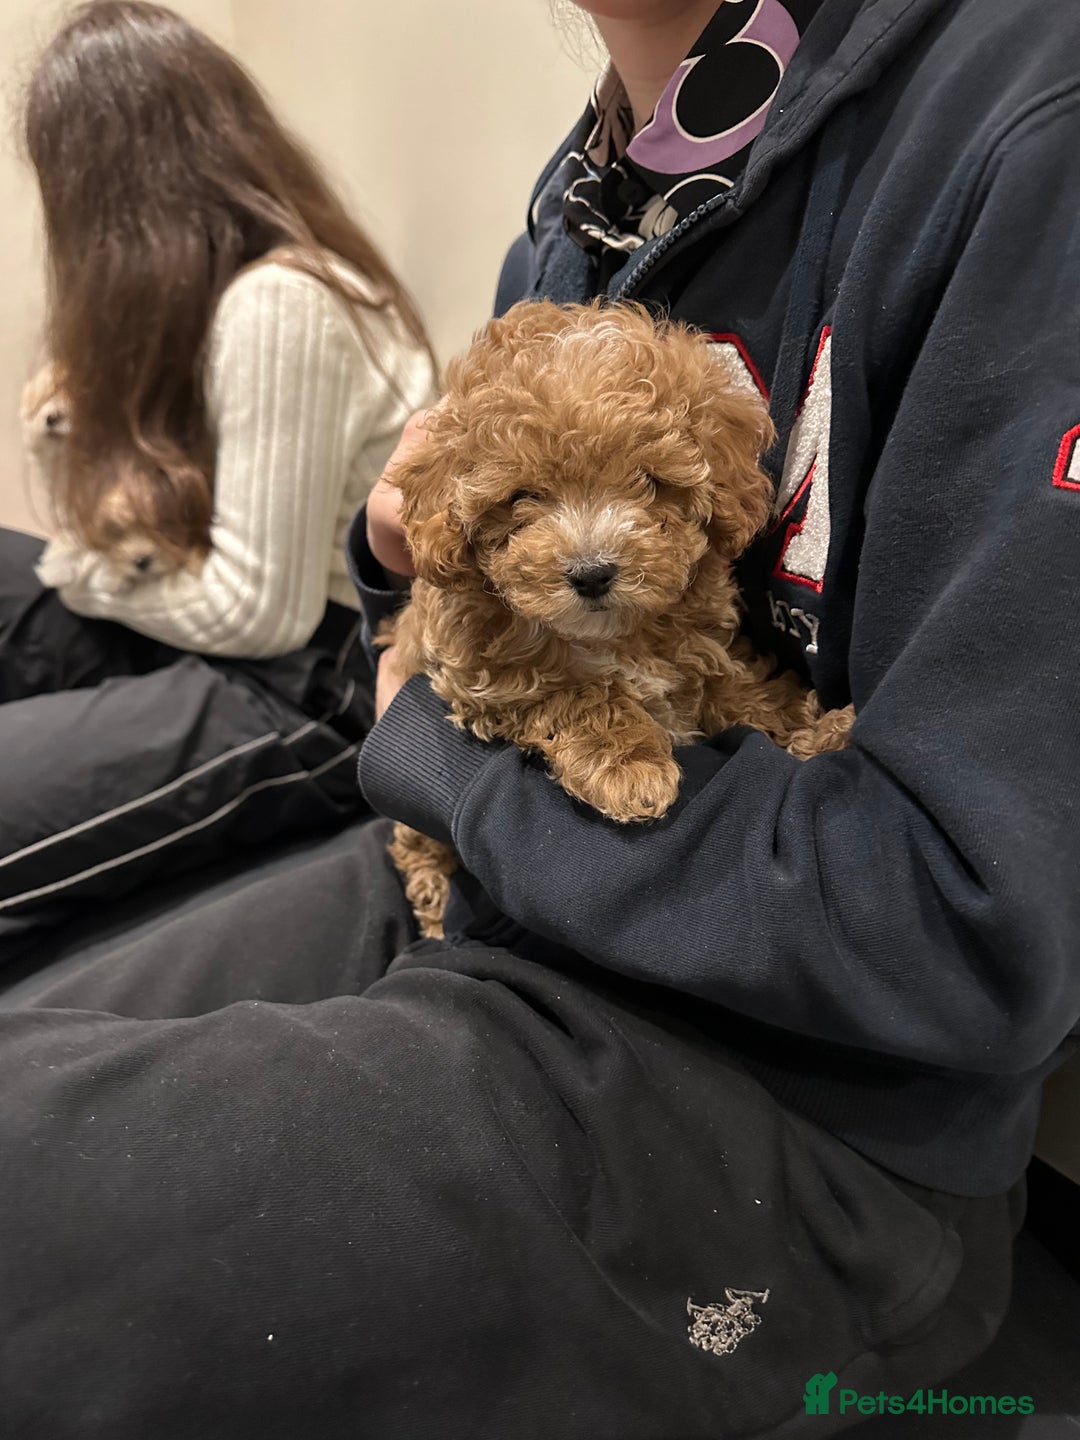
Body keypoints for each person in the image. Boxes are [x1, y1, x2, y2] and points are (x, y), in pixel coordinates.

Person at [1, 0, 1078, 1435]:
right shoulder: (586, 206)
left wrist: (438, 749)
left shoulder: (1028, 128)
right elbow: (454, 611)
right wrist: (419, 631)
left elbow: (976, 928)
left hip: (810, 1105)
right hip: (517, 878)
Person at [0, 1, 436, 946]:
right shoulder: (215, 301)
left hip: (317, 675)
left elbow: (254, 611)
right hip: (256, 633)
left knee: (48, 578)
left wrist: (87, 578)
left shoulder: (280, 307)